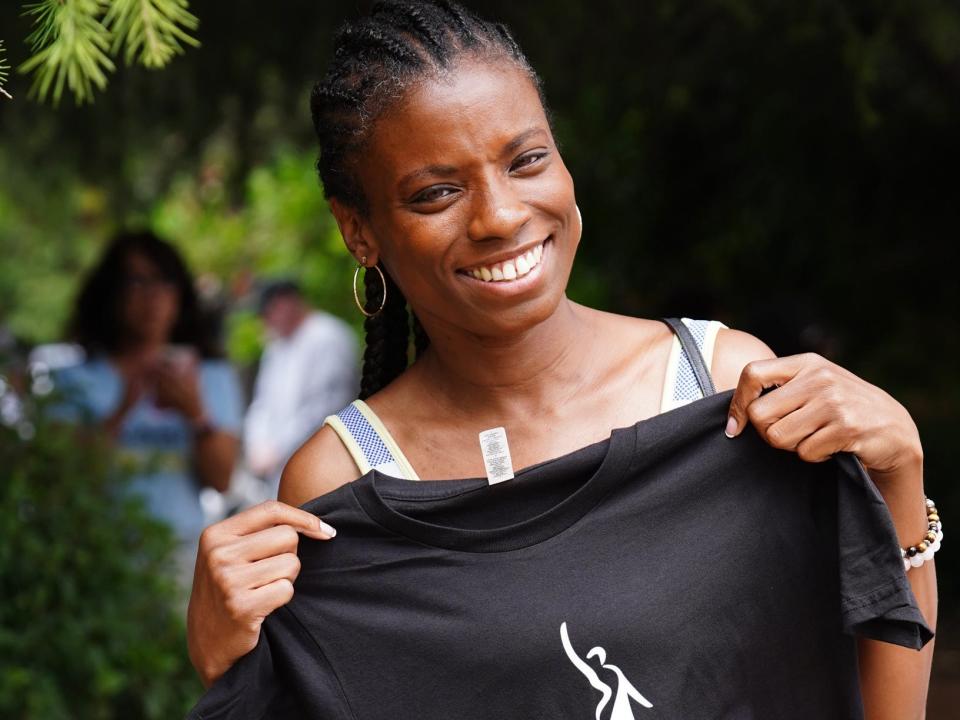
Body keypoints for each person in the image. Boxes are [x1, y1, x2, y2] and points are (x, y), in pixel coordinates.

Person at [186, 2, 936, 716]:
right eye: (437, 192)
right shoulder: (345, 479)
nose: (502, 215)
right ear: (359, 231)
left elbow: (876, 706)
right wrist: (228, 662)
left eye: (526, 160)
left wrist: (900, 475)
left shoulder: (725, 386)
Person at [54, 230, 243, 588]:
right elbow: (67, 478)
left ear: (180, 295)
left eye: (164, 282)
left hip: (178, 559)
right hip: (94, 557)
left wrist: (196, 414)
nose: (152, 297)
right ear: (111, 292)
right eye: (136, 281)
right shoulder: (74, 380)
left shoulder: (209, 376)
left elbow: (221, 480)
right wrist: (125, 405)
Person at [243, 280, 359, 494]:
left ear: (286, 303)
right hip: (274, 470)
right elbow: (261, 403)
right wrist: (257, 445)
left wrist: (277, 450)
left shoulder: (327, 336)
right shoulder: (276, 345)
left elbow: (325, 407)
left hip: (320, 466)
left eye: (268, 312)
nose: (265, 320)